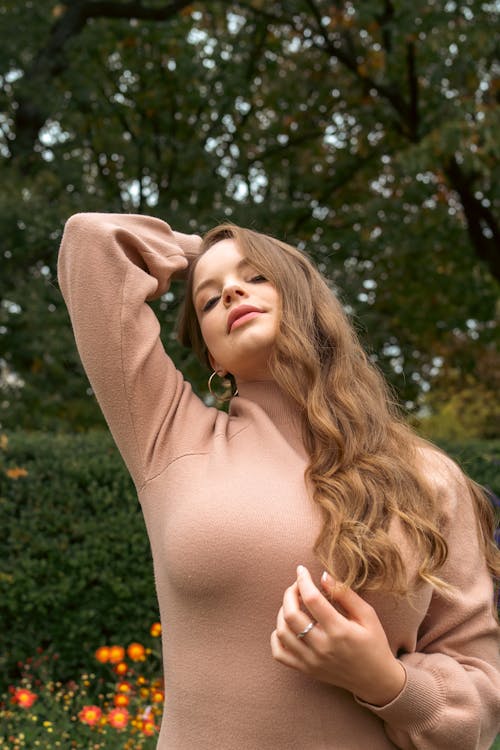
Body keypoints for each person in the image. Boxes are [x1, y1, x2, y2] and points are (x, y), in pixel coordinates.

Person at [58, 212, 500, 750]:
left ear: (306, 299)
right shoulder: (171, 440)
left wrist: (385, 681)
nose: (231, 292)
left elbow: (479, 702)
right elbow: (92, 244)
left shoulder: (430, 478)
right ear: (211, 354)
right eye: (208, 298)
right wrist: (206, 249)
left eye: (258, 276)